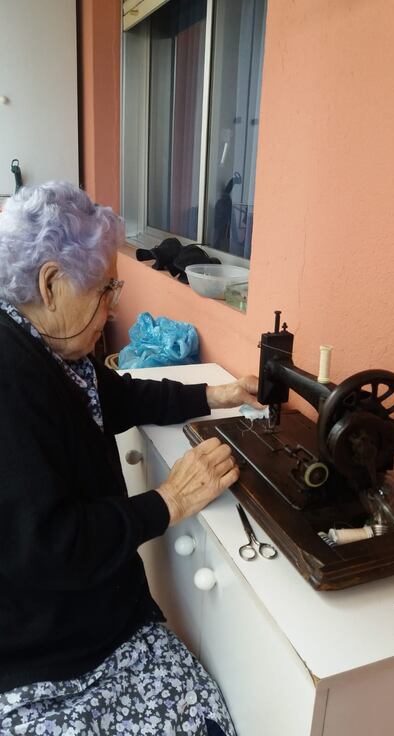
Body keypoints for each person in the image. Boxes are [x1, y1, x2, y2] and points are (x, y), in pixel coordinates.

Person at [0, 182, 263, 736]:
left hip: (82, 618)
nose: (113, 305)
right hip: (47, 652)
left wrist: (216, 394)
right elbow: (54, 547)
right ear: (50, 284)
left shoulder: (44, 346)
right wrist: (169, 501)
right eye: (103, 287)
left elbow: (114, 394)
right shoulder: (10, 381)